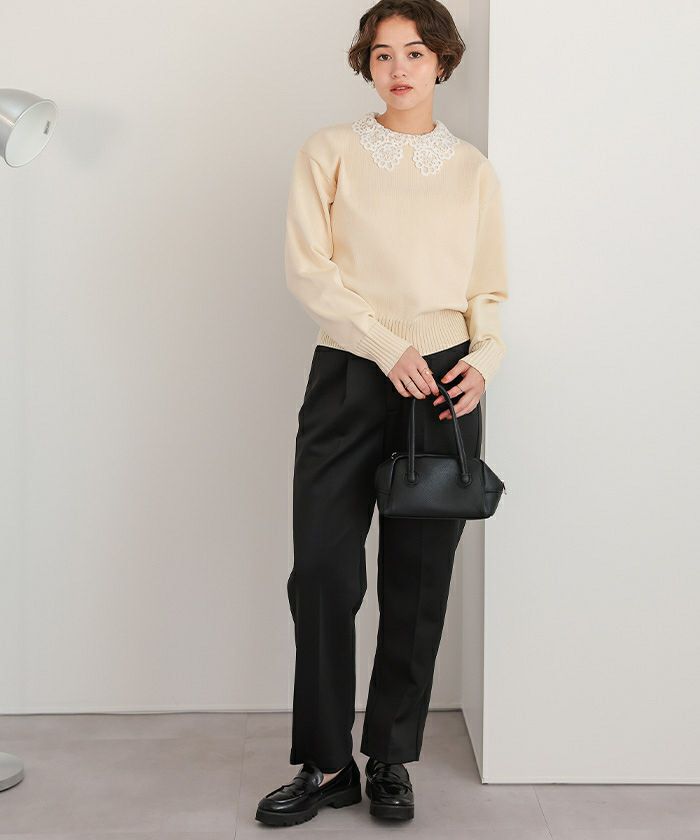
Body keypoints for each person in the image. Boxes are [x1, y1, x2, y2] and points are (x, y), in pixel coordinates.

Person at [255, 0, 508, 827]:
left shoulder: (471, 170)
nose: (399, 68)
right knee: (323, 575)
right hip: (349, 375)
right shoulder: (328, 151)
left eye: (416, 52)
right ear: (366, 65)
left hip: (443, 385)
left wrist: (483, 361)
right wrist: (380, 343)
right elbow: (308, 267)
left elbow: (489, 288)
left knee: (419, 581)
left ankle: (391, 757)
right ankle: (327, 763)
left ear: (443, 62)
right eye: (383, 54)